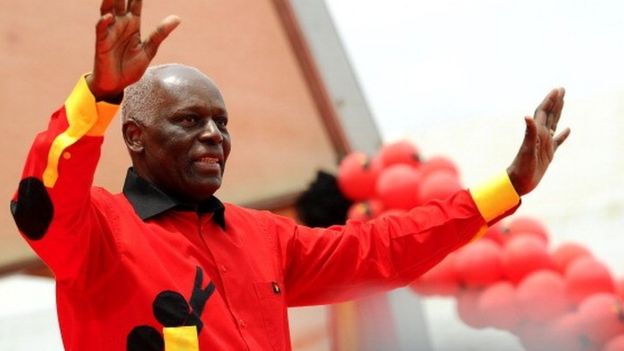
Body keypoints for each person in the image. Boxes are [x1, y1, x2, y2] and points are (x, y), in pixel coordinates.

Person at [10, 0, 570, 350]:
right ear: (135, 137)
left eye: (221, 122)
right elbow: (42, 202)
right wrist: (101, 96)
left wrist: (507, 188)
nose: (214, 135)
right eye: (189, 120)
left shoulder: (263, 237)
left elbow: (382, 249)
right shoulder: (97, 229)